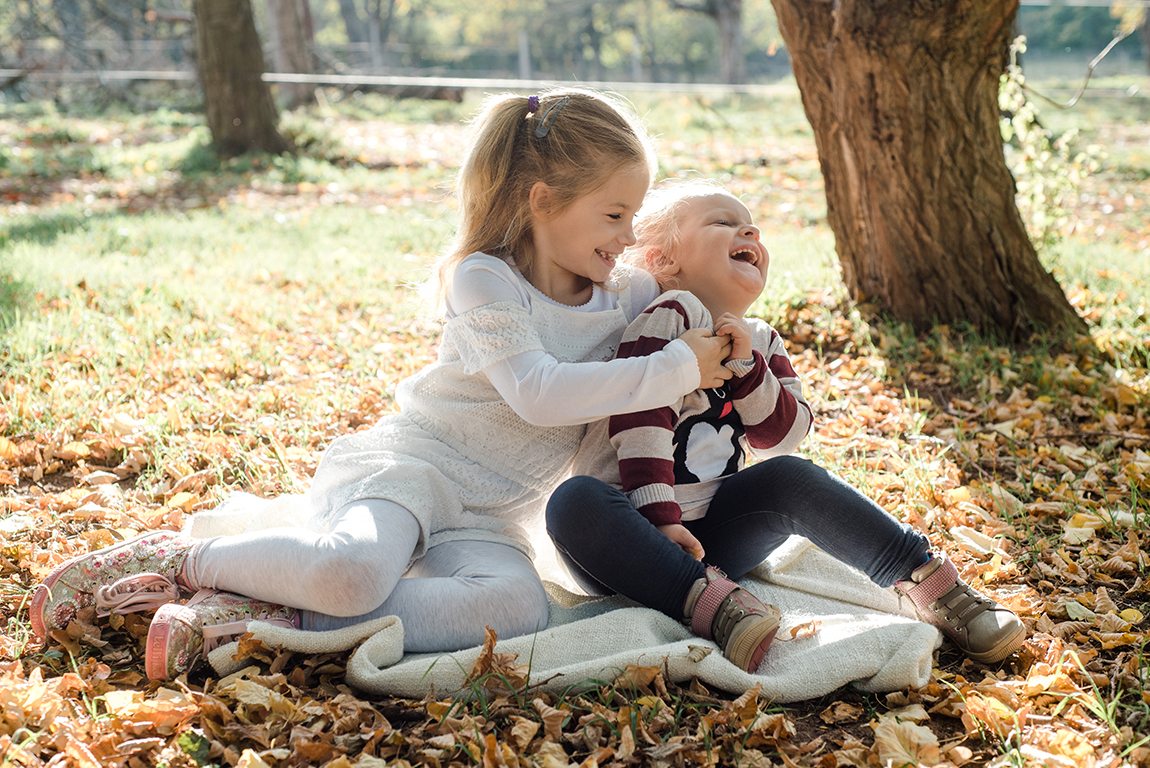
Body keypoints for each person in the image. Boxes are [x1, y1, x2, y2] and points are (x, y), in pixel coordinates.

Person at [30, 89, 737, 682]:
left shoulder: (623, 291)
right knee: (353, 573)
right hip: (411, 468)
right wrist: (677, 367)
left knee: (517, 609)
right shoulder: (486, 277)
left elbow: (698, 287)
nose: (626, 236)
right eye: (613, 215)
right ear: (544, 201)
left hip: (491, 518)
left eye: (634, 218)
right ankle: (179, 560)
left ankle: (255, 617)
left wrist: (727, 292)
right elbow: (538, 391)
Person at [546, 179, 1026, 672]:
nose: (748, 230)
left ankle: (930, 584)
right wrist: (660, 520)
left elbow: (781, 437)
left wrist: (748, 365)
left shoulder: (760, 339)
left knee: (792, 476)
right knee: (573, 500)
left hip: (717, 539)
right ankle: (711, 606)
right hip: (629, 545)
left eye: (750, 224)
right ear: (664, 261)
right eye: (723, 223)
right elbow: (638, 416)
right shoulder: (669, 317)